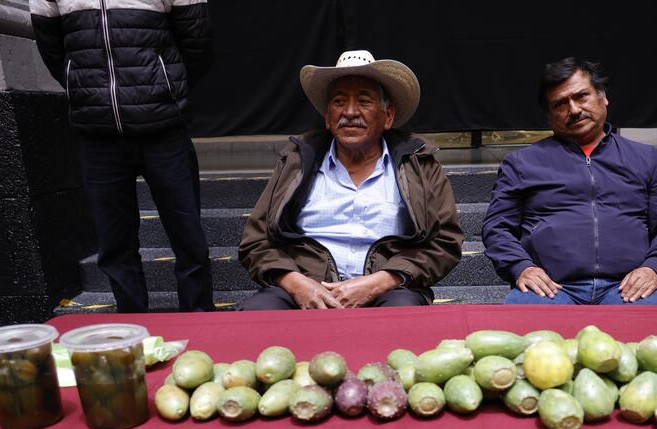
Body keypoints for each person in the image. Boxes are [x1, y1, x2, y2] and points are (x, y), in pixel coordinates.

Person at [238, 50, 462, 310]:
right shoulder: (296, 161)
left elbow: (445, 242)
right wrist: (294, 281)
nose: (350, 112)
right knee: (259, 313)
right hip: (303, 286)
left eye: (364, 101)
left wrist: (380, 281)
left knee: (404, 314)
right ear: (327, 117)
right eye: (339, 101)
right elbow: (256, 240)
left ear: (388, 115)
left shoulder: (418, 163)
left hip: (388, 288)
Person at [29, 0, 215, 312]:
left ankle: (198, 316)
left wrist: (163, 87)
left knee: (188, 237)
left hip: (163, 128)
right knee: (115, 245)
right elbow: (52, 47)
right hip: (98, 134)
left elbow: (197, 43)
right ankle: (132, 327)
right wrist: (87, 90)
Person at [483, 57, 657, 305]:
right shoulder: (522, 163)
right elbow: (497, 228)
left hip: (628, 288)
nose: (574, 110)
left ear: (603, 97)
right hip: (550, 289)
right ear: (549, 115)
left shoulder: (646, 158)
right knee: (519, 333)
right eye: (560, 104)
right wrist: (521, 268)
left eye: (581, 96)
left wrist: (654, 268)